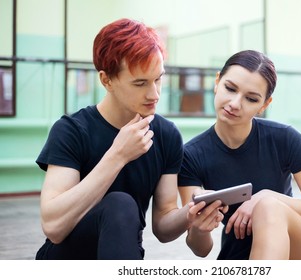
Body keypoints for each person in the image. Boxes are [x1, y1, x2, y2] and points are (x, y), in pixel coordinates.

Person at [34, 18, 221, 260]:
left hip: (122, 255)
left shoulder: (166, 135)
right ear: (106, 80)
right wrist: (118, 155)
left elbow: (163, 226)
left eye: (158, 79)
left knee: (123, 207)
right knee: (120, 203)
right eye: (140, 83)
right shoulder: (71, 130)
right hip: (66, 260)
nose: (154, 94)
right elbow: (54, 227)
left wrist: (191, 212)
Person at [178, 50, 301, 260]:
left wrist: (266, 196)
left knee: (269, 206)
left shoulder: (284, 138)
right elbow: (201, 249)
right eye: (230, 88)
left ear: (264, 105)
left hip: (299, 248)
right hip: (239, 252)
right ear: (217, 82)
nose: (235, 103)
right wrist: (200, 228)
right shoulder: (191, 155)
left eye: (251, 99)